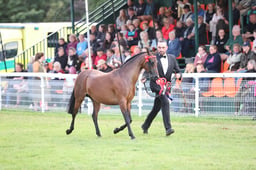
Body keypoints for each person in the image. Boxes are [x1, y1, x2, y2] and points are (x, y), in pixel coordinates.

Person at [141, 40, 182, 136]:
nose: (161, 49)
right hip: (156, 84)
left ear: (166, 48)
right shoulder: (153, 57)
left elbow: (178, 70)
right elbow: (148, 69)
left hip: (166, 86)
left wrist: (179, 75)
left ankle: (145, 125)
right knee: (165, 102)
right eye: (159, 47)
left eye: (163, 47)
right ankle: (168, 128)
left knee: (156, 108)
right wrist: (144, 77)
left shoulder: (172, 58)